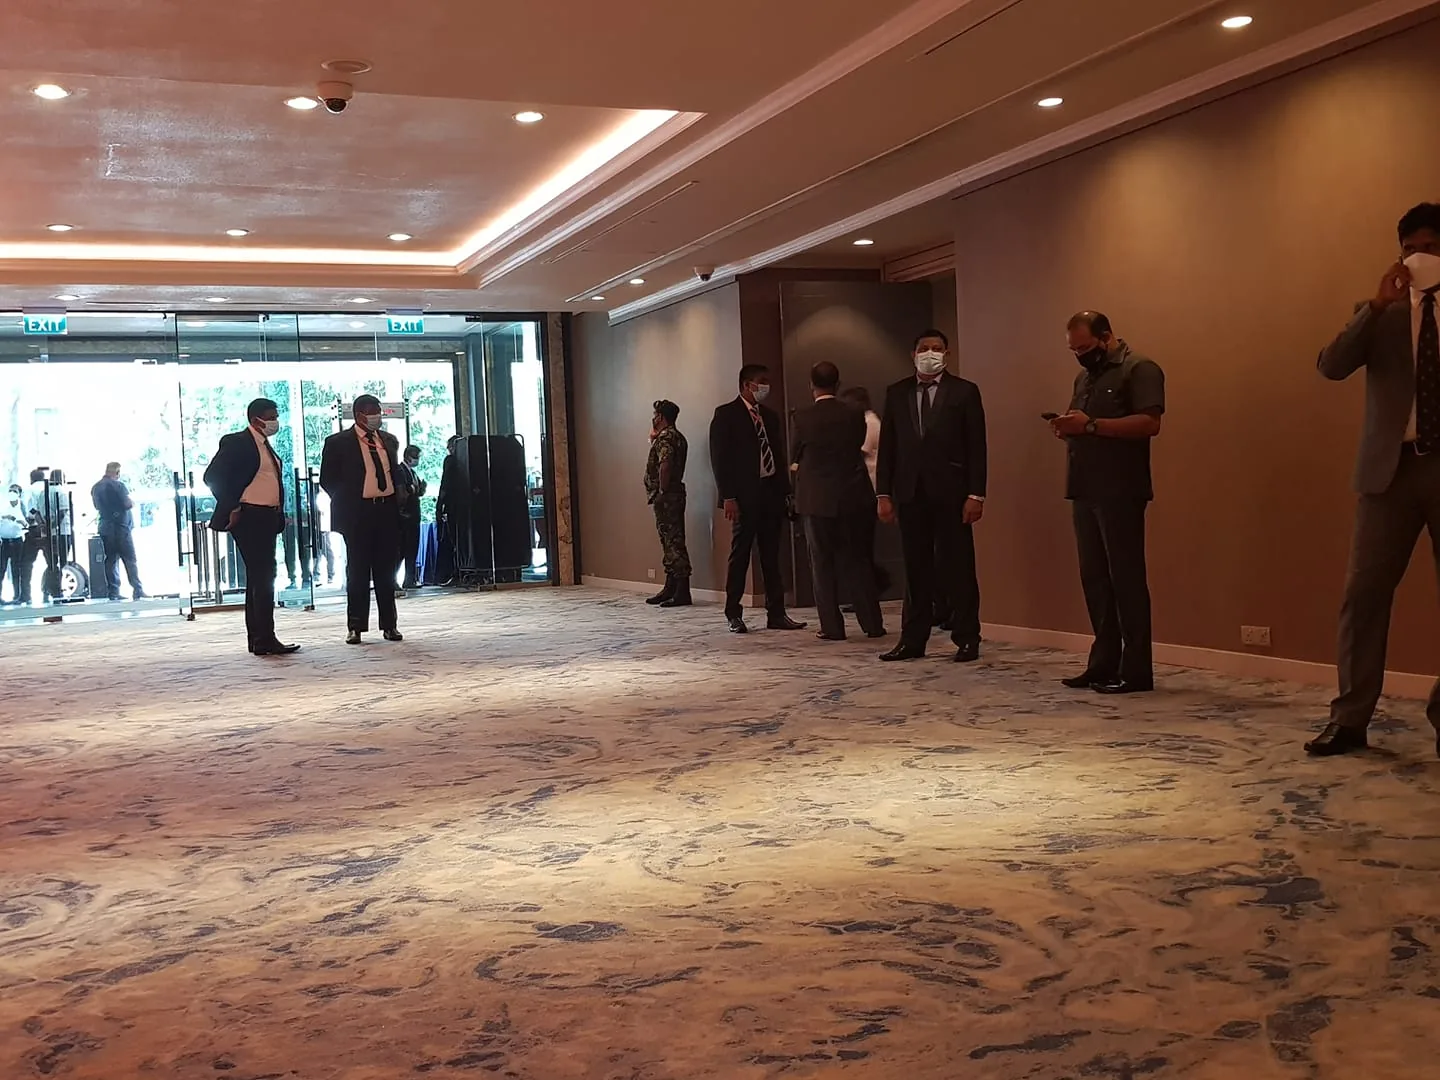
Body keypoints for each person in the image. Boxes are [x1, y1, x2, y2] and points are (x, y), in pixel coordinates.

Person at [1306, 201, 1440, 759]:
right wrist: (1378, 305)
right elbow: (1330, 365)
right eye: (1412, 247)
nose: (1422, 257)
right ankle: (1351, 717)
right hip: (1390, 469)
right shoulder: (1379, 312)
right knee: (1363, 596)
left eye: (1432, 247)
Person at [1050, 312, 1165, 695]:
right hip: (1084, 487)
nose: (1079, 355)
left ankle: (1135, 671)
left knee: (1126, 579)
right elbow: (1082, 423)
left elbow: (1150, 424)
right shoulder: (1084, 377)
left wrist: (1092, 426)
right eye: (1074, 350)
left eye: (1084, 347)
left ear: (1106, 336)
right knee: (1095, 580)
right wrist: (1069, 428)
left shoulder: (1140, 368)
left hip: (1121, 489)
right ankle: (1102, 664)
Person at [875, 330, 987, 662]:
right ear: (913, 354)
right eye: (924, 348)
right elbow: (888, 448)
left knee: (958, 567)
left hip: (953, 493)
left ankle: (967, 637)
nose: (930, 353)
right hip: (910, 493)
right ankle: (913, 640)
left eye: (937, 349)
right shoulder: (897, 393)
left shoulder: (965, 392)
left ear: (947, 354)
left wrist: (976, 495)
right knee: (916, 569)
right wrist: (884, 494)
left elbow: (977, 447)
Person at [709, 364, 807, 634]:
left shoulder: (771, 417)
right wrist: (727, 496)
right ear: (745, 385)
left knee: (771, 557)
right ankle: (733, 613)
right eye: (760, 382)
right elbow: (720, 459)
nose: (765, 387)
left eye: (767, 382)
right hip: (742, 497)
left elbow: (778, 456)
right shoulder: (726, 415)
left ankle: (776, 613)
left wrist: (787, 492)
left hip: (770, 494)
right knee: (740, 555)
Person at [792, 363, 885, 641]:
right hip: (852, 495)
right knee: (859, 560)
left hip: (816, 498)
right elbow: (854, 448)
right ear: (838, 383)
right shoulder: (855, 415)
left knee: (821, 563)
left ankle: (832, 626)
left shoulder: (803, 417)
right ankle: (872, 623)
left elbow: (795, 453)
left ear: (811, 385)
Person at [202, 398, 301, 656]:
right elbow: (211, 476)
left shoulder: (266, 445)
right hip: (249, 515)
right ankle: (264, 637)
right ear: (256, 418)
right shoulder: (237, 442)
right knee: (264, 575)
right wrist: (233, 505)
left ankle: (260, 638)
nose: (275, 421)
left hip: (267, 516)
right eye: (271, 416)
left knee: (262, 576)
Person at [320, 395, 404, 645]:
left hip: (385, 511)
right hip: (358, 514)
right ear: (358, 415)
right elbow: (328, 479)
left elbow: (393, 471)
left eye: (378, 412)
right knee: (357, 571)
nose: (376, 416)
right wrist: (349, 500)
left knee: (386, 572)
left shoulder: (388, 440)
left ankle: (389, 625)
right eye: (371, 412)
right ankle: (355, 626)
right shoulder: (338, 443)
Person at [645, 399, 692, 607]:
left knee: (672, 542)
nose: (653, 418)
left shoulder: (666, 438)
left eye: (655, 415)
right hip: (675, 494)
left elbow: (665, 465)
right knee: (671, 540)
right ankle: (670, 587)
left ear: (661, 417)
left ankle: (681, 591)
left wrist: (662, 491)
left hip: (668, 496)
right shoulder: (679, 437)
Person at [90, 462, 146, 601]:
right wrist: (132, 503)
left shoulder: (96, 487)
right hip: (121, 528)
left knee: (110, 560)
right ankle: (137, 589)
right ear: (117, 472)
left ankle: (113, 592)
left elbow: (97, 506)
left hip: (105, 527)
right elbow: (127, 504)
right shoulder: (119, 486)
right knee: (130, 559)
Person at [396, 445, 427, 591]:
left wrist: (419, 489)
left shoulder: (412, 472)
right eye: (416, 457)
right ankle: (393, 579)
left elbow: (415, 490)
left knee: (412, 549)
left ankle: (410, 579)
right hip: (405, 517)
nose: (417, 460)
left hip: (414, 516)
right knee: (402, 550)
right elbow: (403, 492)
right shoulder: (400, 471)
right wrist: (412, 490)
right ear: (409, 456)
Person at [0, 485, 26, 604]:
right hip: (4, 541)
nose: (12, 493)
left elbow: (29, 521)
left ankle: (18, 596)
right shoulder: (3, 505)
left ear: (19, 494)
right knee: (1, 569)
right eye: (10, 491)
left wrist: (23, 522)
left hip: (17, 541)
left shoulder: (23, 506)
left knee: (17, 569)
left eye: (15, 491)